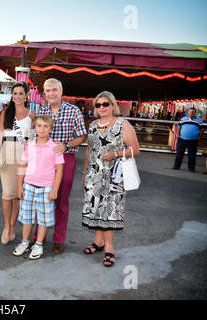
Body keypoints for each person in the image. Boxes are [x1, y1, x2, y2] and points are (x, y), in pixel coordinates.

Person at [81, 91, 139, 267]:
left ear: (113, 105)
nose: (101, 108)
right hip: (94, 174)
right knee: (95, 209)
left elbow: (135, 149)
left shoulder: (123, 124)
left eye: (105, 104)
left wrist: (115, 153)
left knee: (110, 212)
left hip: (114, 176)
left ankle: (109, 249)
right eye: (98, 105)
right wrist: (85, 173)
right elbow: (89, 150)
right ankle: (98, 242)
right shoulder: (93, 125)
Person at [33, 78, 87, 254]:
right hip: (44, 160)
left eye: (54, 90)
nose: (51, 94)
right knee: (41, 198)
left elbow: (81, 136)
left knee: (61, 201)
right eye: (48, 91)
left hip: (65, 157)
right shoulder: (41, 110)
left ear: (61, 91)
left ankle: (59, 239)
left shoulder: (73, 111)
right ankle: (38, 237)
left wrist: (66, 145)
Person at [13, 115, 64, 259]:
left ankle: (39, 244)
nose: (42, 129)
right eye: (39, 125)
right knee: (27, 217)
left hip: (47, 188)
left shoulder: (55, 147)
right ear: (34, 127)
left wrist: (55, 190)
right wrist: (19, 186)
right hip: (28, 185)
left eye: (46, 126)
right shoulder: (29, 145)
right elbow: (22, 165)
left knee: (43, 219)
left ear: (50, 129)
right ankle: (25, 242)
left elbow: (59, 170)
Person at [0, 82, 35, 245]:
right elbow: (0, 135)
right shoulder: (6, 112)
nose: (17, 97)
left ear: (26, 95)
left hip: (24, 155)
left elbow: (32, 138)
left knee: (18, 194)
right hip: (7, 152)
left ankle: (12, 226)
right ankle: (6, 226)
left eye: (20, 93)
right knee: (7, 194)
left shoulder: (31, 114)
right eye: (15, 93)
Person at [172, 107, 204, 173]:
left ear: (195, 113)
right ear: (188, 112)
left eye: (193, 112)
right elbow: (179, 127)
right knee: (179, 153)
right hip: (182, 139)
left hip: (193, 140)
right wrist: (177, 134)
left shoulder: (199, 120)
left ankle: (191, 168)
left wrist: (199, 137)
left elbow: (202, 130)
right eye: (190, 112)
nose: (191, 113)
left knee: (192, 155)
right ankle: (176, 166)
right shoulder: (183, 119)